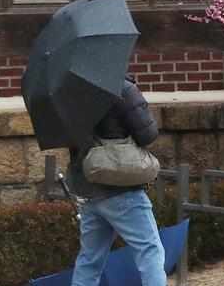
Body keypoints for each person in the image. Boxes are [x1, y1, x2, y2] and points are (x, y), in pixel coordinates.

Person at [68, 75, 166, 286]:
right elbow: (148, 134)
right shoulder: (122, 88)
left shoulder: (70, 90)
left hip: (88, 187)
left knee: (90, 260)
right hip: (122, 187)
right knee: (149, 250)